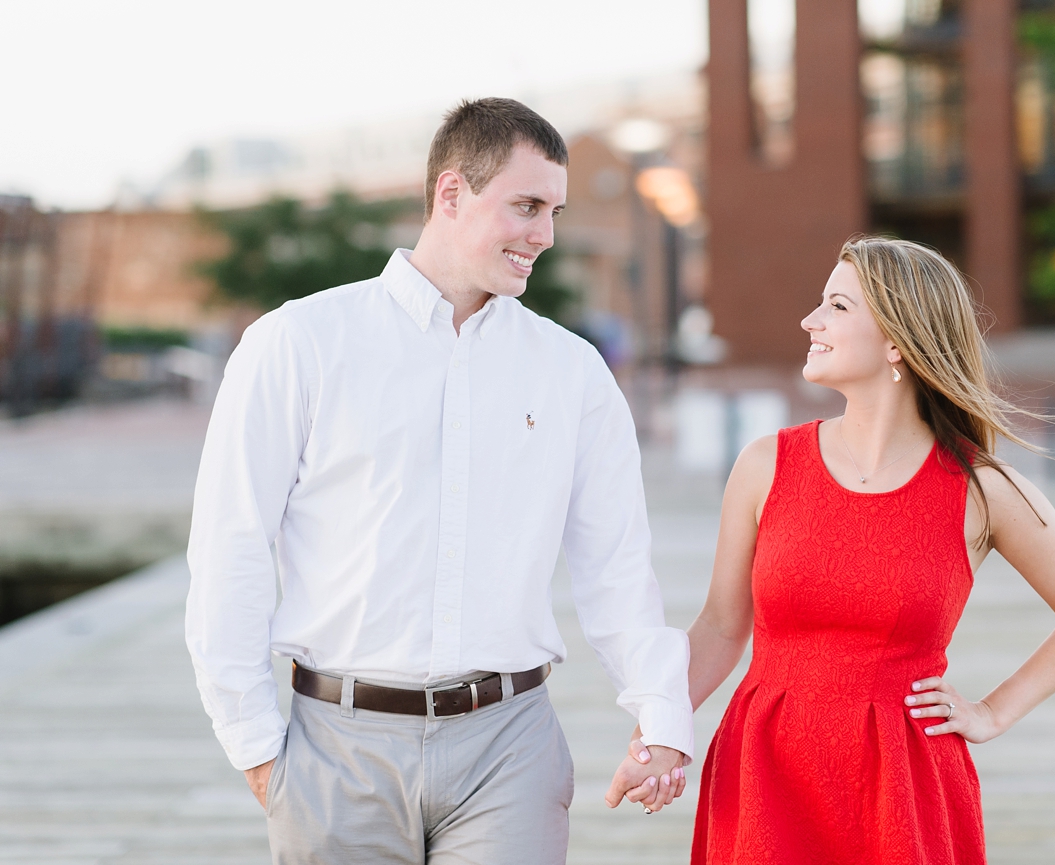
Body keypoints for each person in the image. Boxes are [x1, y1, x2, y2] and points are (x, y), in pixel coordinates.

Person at [185, 98, 691, 865]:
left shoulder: (573, 372)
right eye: (525, 206)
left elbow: (617, 567)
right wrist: (259, 749)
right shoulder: (297, 344)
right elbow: (230, 552)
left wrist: (660, 716)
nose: (545, 236)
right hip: (336, 746)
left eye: (553, 211)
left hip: (510, 747)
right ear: (450, 194)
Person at [633, 237, 1055, 864]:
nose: (811, 321)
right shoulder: (766, 465)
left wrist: (993, 713)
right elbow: (722, 628)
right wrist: (658, 734)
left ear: (897, 340)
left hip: (904, 784)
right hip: (765, 770)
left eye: (837, 306)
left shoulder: (980, 489)